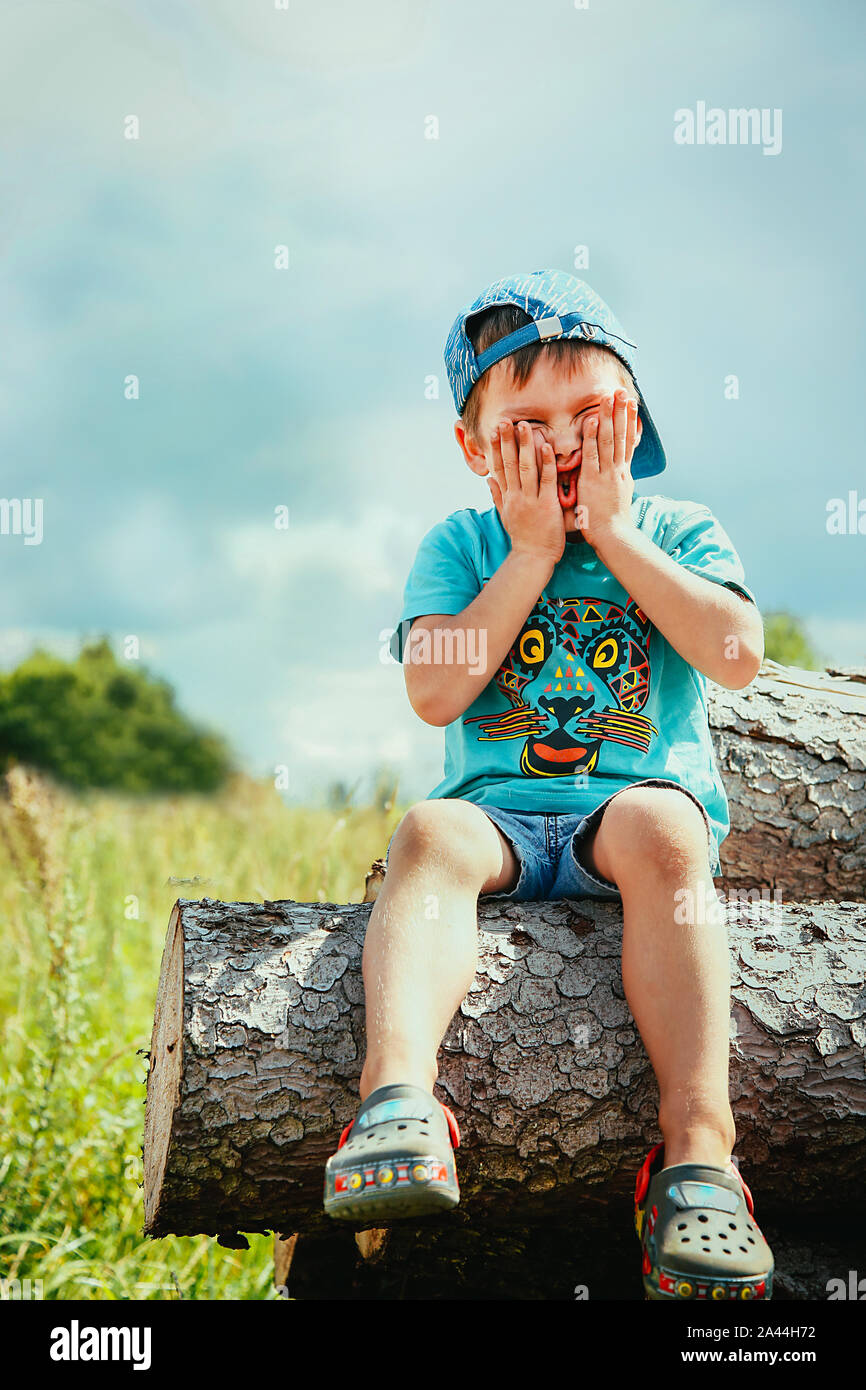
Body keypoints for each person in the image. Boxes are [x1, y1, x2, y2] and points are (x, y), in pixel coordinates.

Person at [323, 269, 774, 1301]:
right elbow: (435, 693)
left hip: (627, 812)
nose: (563, 443)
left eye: (589, 415)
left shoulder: (676, 531)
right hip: (497, 819)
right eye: (526, 422)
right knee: (426, 832)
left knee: (669, 829)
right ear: (474, 449)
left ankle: (698, 1151)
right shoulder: (463, 543)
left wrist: (610, 532)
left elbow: (734, 651)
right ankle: (396, 1102)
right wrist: (529, 551)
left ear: (634, 424)